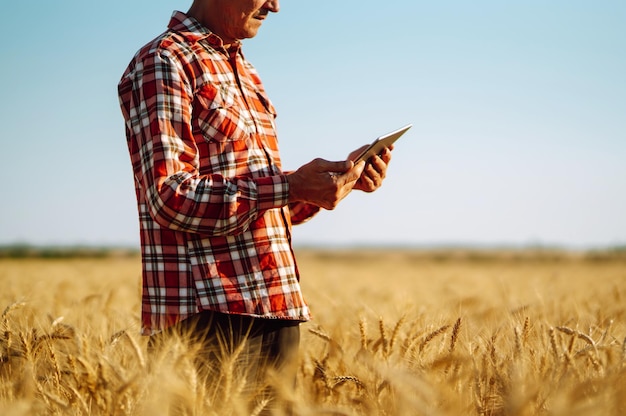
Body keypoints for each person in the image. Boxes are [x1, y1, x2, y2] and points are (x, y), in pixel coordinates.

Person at [118, 0, 392, 396]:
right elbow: (168, 196)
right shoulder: (164, 61)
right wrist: (291, 186)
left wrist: (333, 186)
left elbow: (260, 205)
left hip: (275, 303)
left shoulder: (243, 68)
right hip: (209, 316)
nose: (275, 6)